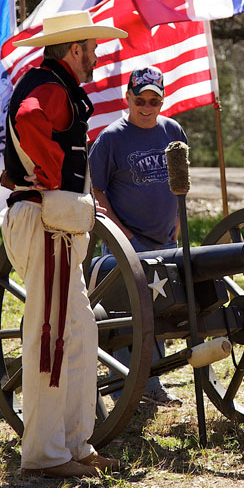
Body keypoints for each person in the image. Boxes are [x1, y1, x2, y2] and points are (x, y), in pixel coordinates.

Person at [1, 10, 126, 478]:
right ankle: (44, 456)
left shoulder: (53, 84)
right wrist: (50, 173)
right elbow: (31, 120)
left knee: (79, 335)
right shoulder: (51, 88)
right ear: (75, 50)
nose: (94, 56)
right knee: (51, 340)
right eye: (90, 48)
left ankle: (73, 444)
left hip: (56, 227)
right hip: (47, 225)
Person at [88, 65, 186, 407]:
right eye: (140, 100)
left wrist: (177, 218)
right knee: (128, 313)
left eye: (153, 101)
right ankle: (123, 385)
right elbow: (97, 191)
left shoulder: (172, 131)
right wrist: (121, 232)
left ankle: (152, 383)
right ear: (127, 98)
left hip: (166, 238)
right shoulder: (111, 139)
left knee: (162, 310)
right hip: (128, 241)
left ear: (162, 101)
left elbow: (181, 182)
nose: (146, 107)